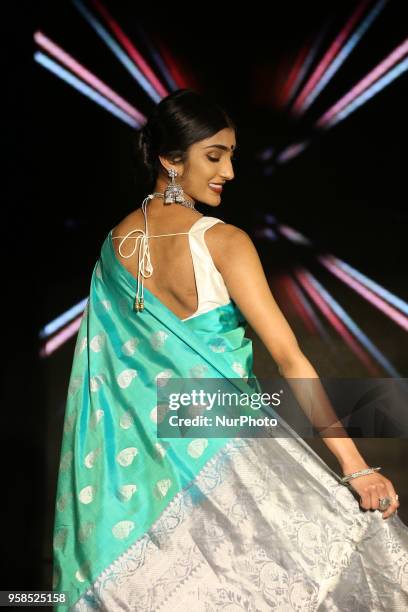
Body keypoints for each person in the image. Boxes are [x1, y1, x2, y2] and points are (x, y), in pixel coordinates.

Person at [53, 89, 408, 611]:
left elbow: (102, 386)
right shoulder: (223, 241)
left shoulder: (112, 248)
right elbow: (290, 359)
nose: (230, 172)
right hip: (227, 460)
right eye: (213, 156)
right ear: (171, 159)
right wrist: (356, 468)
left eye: (231, 156)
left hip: (132, 490)